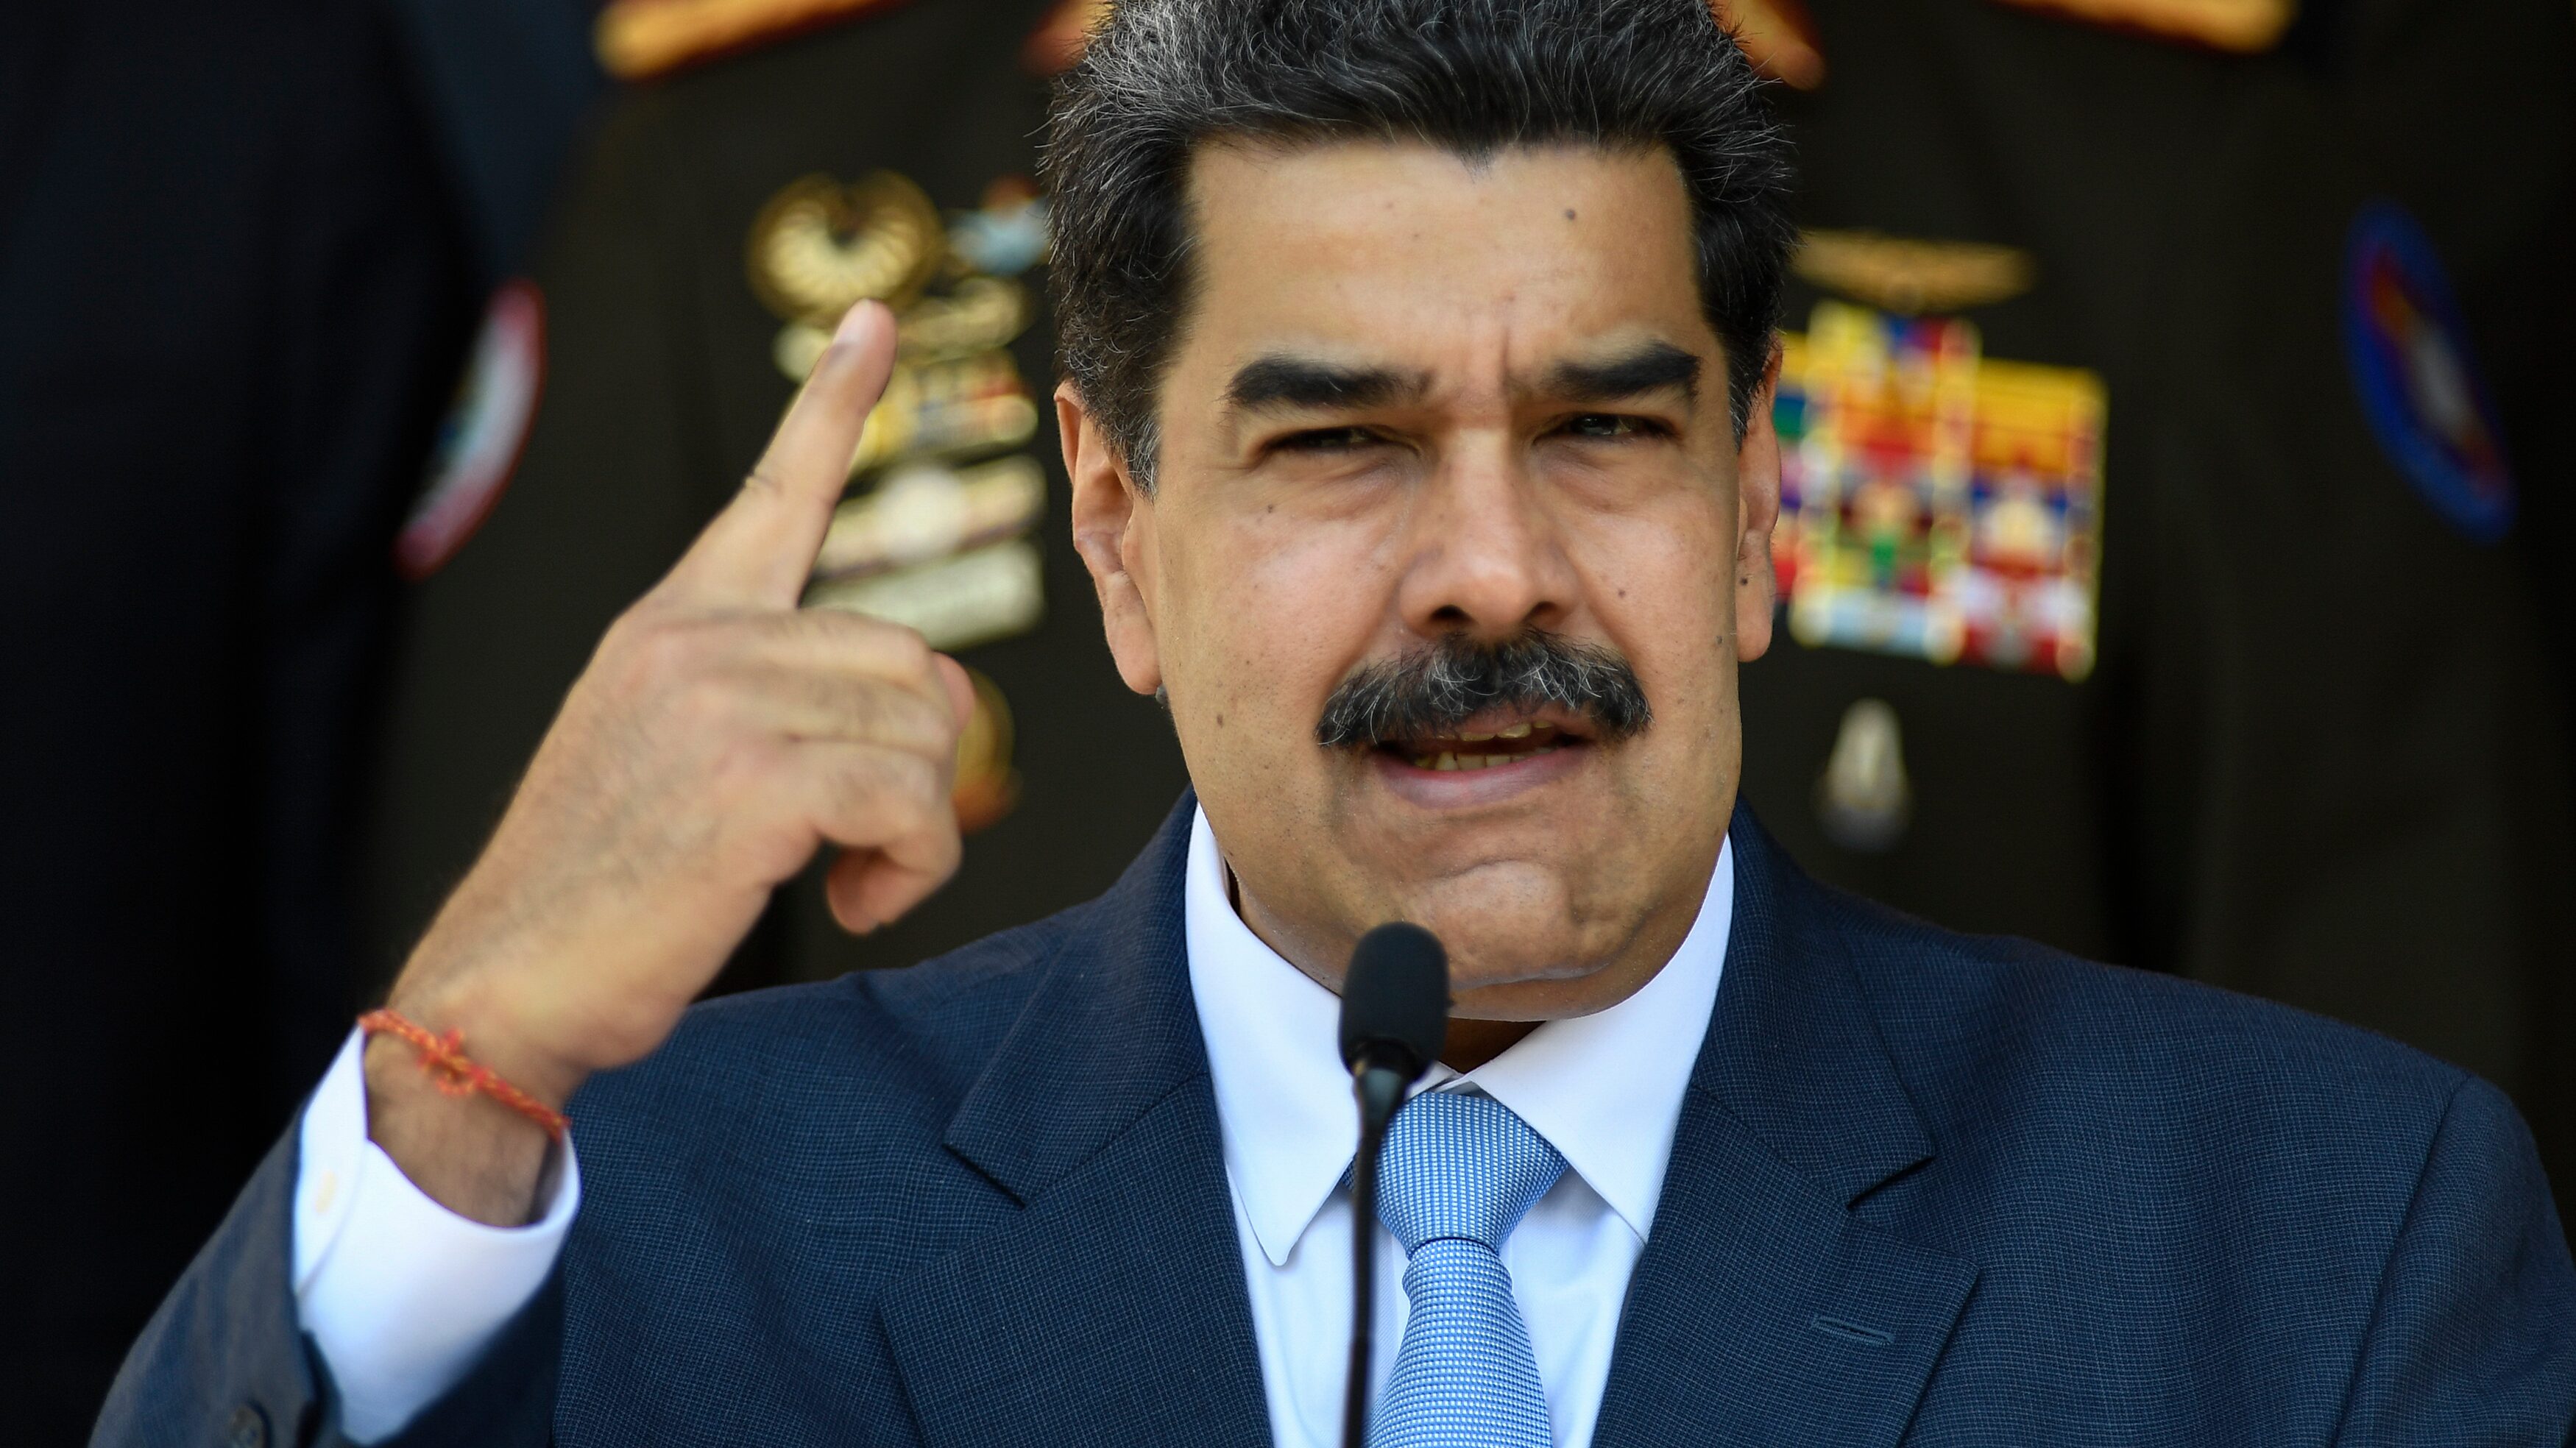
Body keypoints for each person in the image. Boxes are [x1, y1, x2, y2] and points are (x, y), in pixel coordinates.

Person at [97, 2, 2576, 1445]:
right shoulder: (687, 1220)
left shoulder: (2302, 1241)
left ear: (1756, 504)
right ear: (1111, 530)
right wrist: (459, 1078)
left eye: (1607, 426)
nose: (1490, 569)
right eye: (1334, 443)